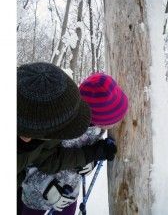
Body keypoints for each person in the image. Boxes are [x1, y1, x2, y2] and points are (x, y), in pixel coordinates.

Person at [17, 63, 117, 215]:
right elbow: (40, 160)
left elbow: (44, 155)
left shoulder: (32, 141)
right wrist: (44, 186)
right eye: (62, 129)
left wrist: (91, 156)